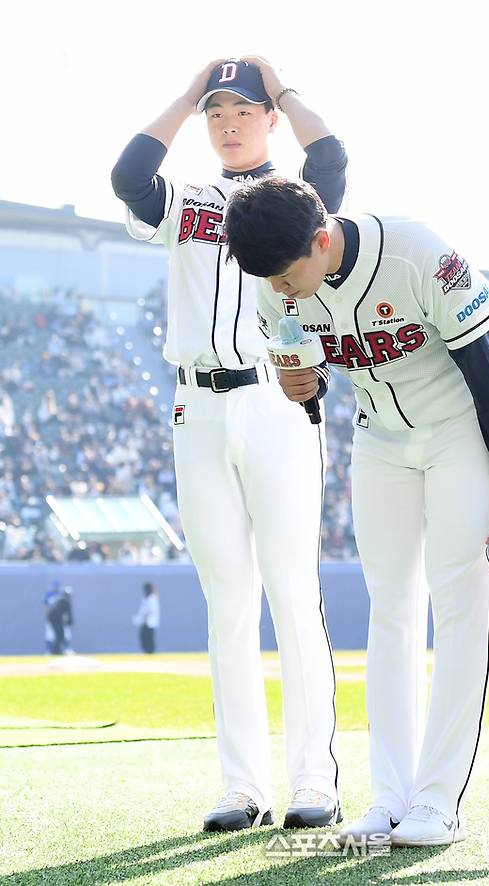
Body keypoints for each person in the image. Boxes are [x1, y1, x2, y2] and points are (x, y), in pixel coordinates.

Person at [224, 177, 489, 847]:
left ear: (321, 238)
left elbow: (486, 368)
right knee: (389, 609)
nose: (277, 287)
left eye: (284, 271)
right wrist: (301, 384)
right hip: (380, 437)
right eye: (265, 276)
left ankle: (439, 800)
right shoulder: (273, 280)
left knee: (457, 603)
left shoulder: (416, 250)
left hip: (462, 433)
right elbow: (320, 375)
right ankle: (390, 798)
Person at [111, 58, 347, 832]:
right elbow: (129, 174)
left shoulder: (299, 199)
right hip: (198, 407)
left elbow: (335, 158)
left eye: (243, 110)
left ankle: (315, 778)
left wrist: (278, 87)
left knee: (291, 595)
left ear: (269, 118)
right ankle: (243, 785)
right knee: (228, 607)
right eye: (219, 112)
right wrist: (184, 96)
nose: (229, 121)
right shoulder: (184, 199)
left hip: (277, 397)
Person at [132, 581, 160, 653]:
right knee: (144, 639)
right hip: (145, 623)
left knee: (148, 639)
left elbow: (149, 611)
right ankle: (147, 652)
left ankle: (150, 652)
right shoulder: (146, 598)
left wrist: (145, 620)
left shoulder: (152, 598)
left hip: (148, 623)